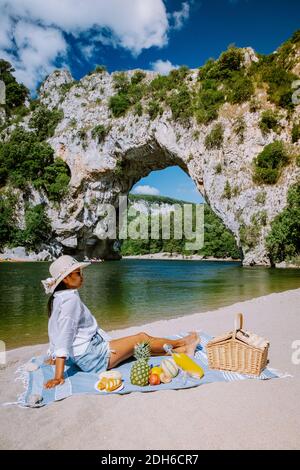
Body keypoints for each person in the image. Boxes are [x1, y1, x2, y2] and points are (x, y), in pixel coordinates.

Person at [42, 255, 200, 389]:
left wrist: (54, 356)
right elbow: (64, 334)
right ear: (66, 279)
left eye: (81, 272)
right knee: (142, 338)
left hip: (89, 353)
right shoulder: (70, 300)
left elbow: (54, 329)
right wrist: (58, 376)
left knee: (139, 349)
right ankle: (181, 343)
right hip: (94, 357)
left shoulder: (58, 298)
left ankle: (181, 351)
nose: (82, 276)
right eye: (77, 273)